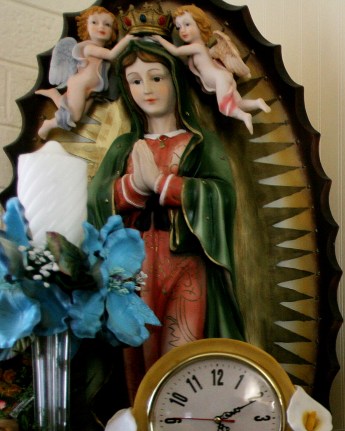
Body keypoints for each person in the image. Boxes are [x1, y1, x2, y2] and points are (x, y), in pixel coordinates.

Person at [88, 39, 245, 399]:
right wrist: (132, 188)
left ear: (176, 80)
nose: (148, 89)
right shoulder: (123, 148)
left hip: (186, 267)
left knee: (181, 358)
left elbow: (222, 196)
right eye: (136, 80)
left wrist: (163, 184)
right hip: (131, 272)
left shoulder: (199, 144)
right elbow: (96, 200)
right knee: (136, 363)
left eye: (157, 77)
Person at [152, 5, 270, 133]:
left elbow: (175, 51)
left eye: (187, 24)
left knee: (224, 108)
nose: (182, 30)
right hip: (223, 77)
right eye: (178, 27)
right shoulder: (206, 50)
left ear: (200, 25)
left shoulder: (197, 47)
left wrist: (158, 38)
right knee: (238, 103)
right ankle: (257, 103)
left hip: (220, 79)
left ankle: (244, 116)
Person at [36, 7, 134, 139]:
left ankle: (54, 96)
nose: (101, 27)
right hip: (80, 84)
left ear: (113, 31)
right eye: (94, 22)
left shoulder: (99, 49)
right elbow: (111, 55)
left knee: (79, 116)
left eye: (107, 24)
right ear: (85, 26)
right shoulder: (89, 48)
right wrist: (128, 38)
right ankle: (48, 124)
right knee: (74, 116)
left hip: (92, 89)